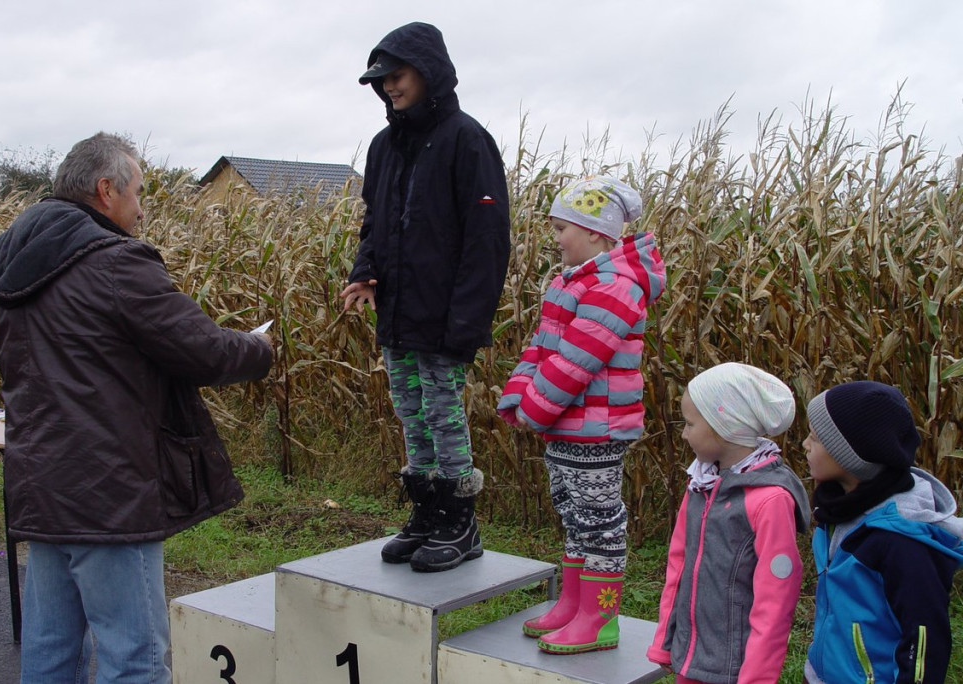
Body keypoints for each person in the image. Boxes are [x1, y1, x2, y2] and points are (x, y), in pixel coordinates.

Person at [0, 132, 273, 683]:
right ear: (105, 189)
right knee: (133, 658)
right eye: (137, 193)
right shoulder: (114, 263)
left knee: (49, 649)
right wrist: (260, 347)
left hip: (41, 486)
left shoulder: (9, 262)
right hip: (108, 494)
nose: (140, 210)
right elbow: (202, 350)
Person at [341, 22, 510, 572]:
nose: (389, 86)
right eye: (382, 79)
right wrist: (365, 272)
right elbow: (376, 223)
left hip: (444, 320)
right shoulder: (384, 146)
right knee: (411, 416)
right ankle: (427, 513)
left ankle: (461, 524)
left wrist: (465, 326)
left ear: (428, 71)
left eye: (398, 75)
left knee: (443, 417)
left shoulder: (467, 139)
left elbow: (486, 242)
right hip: (398, 316)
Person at [497, 176, 665, 654]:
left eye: (560, 228)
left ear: (594, 231)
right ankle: (574, 604)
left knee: (598, 520)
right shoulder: (575, 282)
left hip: (596, 428)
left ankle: (600, 618)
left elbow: (577, 361)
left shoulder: (613, 287)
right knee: (573, 515)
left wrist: (535, 407)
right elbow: (543, 345)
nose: (554, 238)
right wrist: (520, 397)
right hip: (568, 425)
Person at [646, 363, 810, 683]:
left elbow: (775, 600)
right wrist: (666, 642)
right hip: (693, 656)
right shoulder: (702, 484)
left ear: (725, 426)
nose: (683, 433)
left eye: (690, 424)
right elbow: (678, 565)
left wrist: (757, 677)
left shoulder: (769, 500)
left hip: (734, 670)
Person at [801, 381, 963, 684]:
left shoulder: (901, 542)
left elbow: (925, 638)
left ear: (850, 455)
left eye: (815, 437)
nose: (805, 445)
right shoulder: (836, 513)